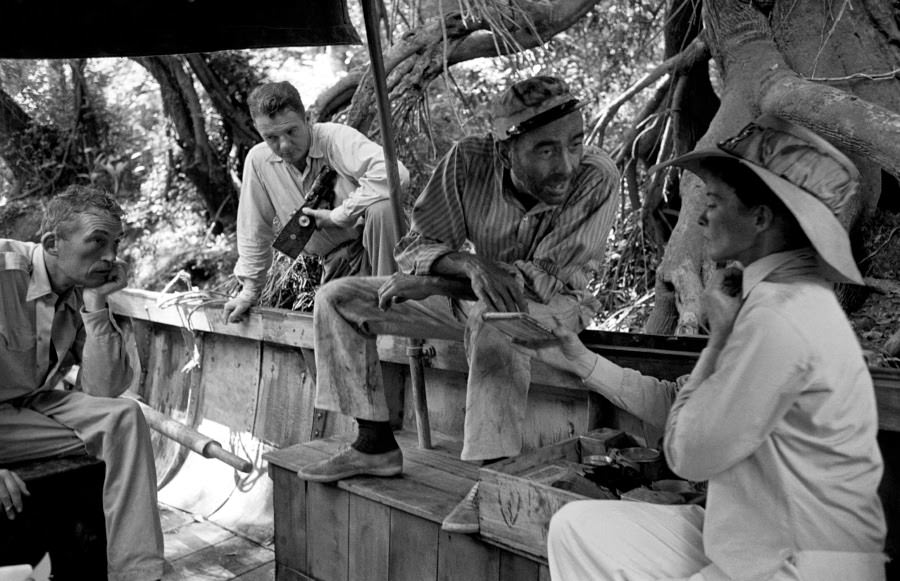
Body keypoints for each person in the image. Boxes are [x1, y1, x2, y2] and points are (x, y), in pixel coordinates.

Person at [524, 115, 886, 580]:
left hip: (795, 563)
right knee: (577, 528)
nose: (698, 217)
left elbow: (686, 452)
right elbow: (682, 402)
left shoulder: (779, 317)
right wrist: (580, 359)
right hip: (749, 540)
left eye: (713, 201)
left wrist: (716, 343)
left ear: (760, 218)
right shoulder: (771, 298)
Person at [296, 75, 620, 534]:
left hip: (555, 307)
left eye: (575, 143)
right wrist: (466, 263)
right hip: (469, 297)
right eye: (546, 150)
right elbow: (415, 246)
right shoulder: (469, 161)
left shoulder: (596, 177)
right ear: (506, 150)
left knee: (495, 320)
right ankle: (374, 445)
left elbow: (537, 284)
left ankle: (493, 481)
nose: (565, 164)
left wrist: (437, 284)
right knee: (338, 298)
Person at [0, 185, 167, 581]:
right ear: (52, 243)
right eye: (97, 242)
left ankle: (139, 573)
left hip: (29, 405)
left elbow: (101, 392)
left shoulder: (79, 290)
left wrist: (95, 304)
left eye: (115, 243)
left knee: (124, 418)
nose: (111, 257)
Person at [223, 80, 410, 323]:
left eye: (291, 131)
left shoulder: (334, 138)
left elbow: (396, 174)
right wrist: (249, 291)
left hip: (381, 249)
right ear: (259, 132)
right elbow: (254, 230)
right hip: (336, 262)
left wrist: (339, 215)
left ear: (307, 119)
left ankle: (393, 307)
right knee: (334, 333)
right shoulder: (258, 161)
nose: (285, 145)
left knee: (382, 207)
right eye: (271, 137)